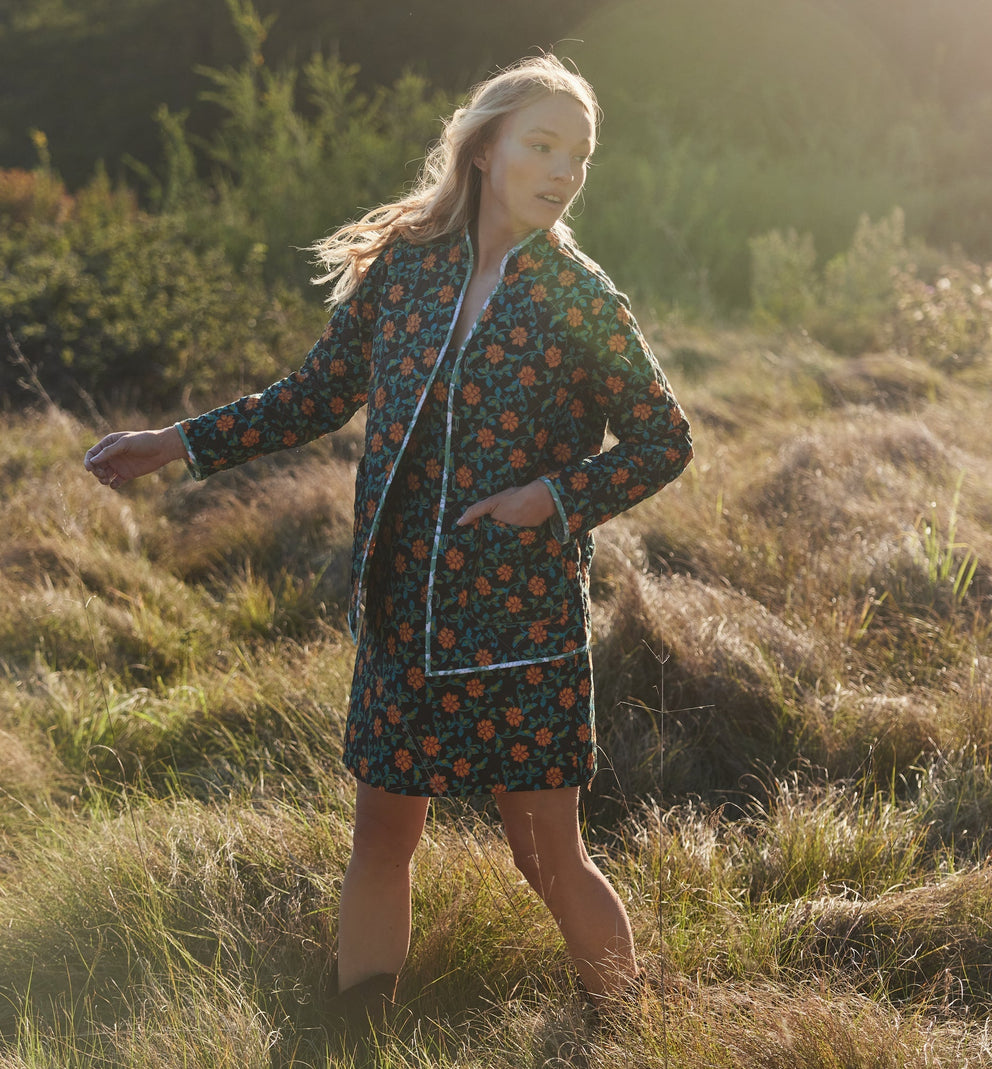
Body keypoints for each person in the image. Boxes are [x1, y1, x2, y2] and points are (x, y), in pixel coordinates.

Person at [84, 53, 692, 1039]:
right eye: (541, 144)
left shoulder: (578, 295)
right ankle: (355, 1037)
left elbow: (669, 439)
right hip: (402, 610)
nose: (561, 168)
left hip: (521, 626)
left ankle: (628, 1029)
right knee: (380, 841)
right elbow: (316, 395)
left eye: (577, 156)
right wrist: (177, 441)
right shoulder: (408, 268)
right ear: (487, 148)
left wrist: (554, 497)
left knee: (547, 855)